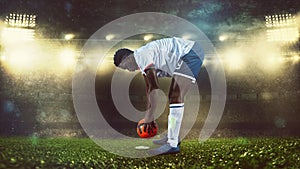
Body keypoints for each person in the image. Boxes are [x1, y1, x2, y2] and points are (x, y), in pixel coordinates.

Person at [113, 37, 204, 155]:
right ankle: (173, 137)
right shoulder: (142, 62)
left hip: (190, 53)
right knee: (174, 96)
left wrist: (149, 117)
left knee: (175, 96)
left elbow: (154, 87)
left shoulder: (141, 56)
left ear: (127, 58)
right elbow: (149, 90)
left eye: (124, 66)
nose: (127, 70)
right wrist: (149, 116)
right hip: (185, 55)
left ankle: (172, 144)